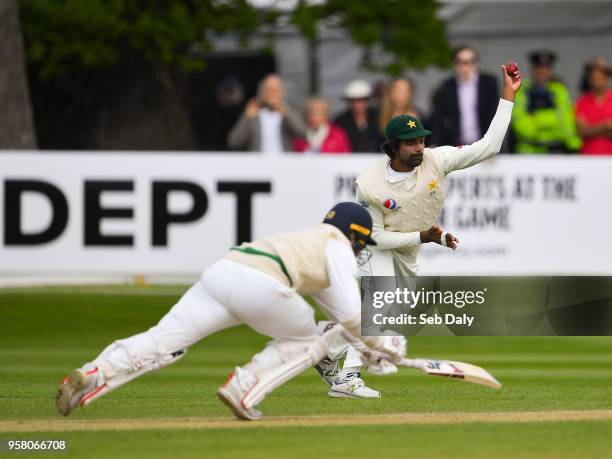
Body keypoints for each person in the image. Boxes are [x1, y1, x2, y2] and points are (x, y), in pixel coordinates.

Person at [55, 202, 406, 420]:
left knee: (163, 340)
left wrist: (369, 349)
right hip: (260, 284)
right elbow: (349, 316)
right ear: (354, 235)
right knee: (311, 339)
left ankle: (94, 371)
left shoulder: (309, 237)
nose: (361, 249)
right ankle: (243, 387)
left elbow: (344, 316)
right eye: (362, 242)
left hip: (221, 273)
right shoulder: (337, 245)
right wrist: (385, 345)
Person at [316, 62, 522, 396]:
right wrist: (425, 236)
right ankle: (348, 379)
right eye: (411, 143)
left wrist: (508, 96)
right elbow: (375, 235)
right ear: (393, 146)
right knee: (380, 307)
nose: (419, 148)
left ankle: (328, 346)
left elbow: (489, 146)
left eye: (421, 141)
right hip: (377, 246)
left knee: (393, 320)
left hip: (410, 248)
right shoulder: (369, 183)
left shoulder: (437, 160)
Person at [429, 45, 499, 147]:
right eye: (462, 62)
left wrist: (494, 143)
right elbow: (438, 117)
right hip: (457, 145)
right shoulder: (447, 86)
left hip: (484, 144)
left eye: (471, 61)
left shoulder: (489, 83)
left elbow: (495, 114)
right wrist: (434, 143)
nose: (467, 66)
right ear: (454, 64)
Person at [512, 50, 581, 153]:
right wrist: (553, 119)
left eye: (545, 69)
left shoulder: (560, 90)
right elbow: (520, 126)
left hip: (556, 150)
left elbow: (567, 125)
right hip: (528, 151)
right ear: (532, 70)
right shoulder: (520, 90)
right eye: (539, 69)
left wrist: (536, 118)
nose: (542, 72)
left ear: (550, 71)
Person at [227, 74, 306, 153]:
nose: (271, 94)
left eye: (275, 90)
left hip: (283, 162)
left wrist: (287, 114)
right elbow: (234, 142)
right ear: (261, 92)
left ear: (282, 92)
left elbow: (304, 134)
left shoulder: (289, 112)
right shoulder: (254, 114)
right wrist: (246, 117)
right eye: (268, 90)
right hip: (258, 162)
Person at [334, 80, 384, 153]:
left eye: (360, 100)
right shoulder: (340, 122)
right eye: (352, 101)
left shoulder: (378, 118)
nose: (356, 105)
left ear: (367, 101)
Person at [575, 59, 612, 155]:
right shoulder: (582, 102)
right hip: (589, 158)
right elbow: (581, 131)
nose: (597, 78)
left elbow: (587, 130)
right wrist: (605, 126)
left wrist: (592, 129)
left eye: (601, 75)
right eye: (593, 75)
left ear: (606, 77)